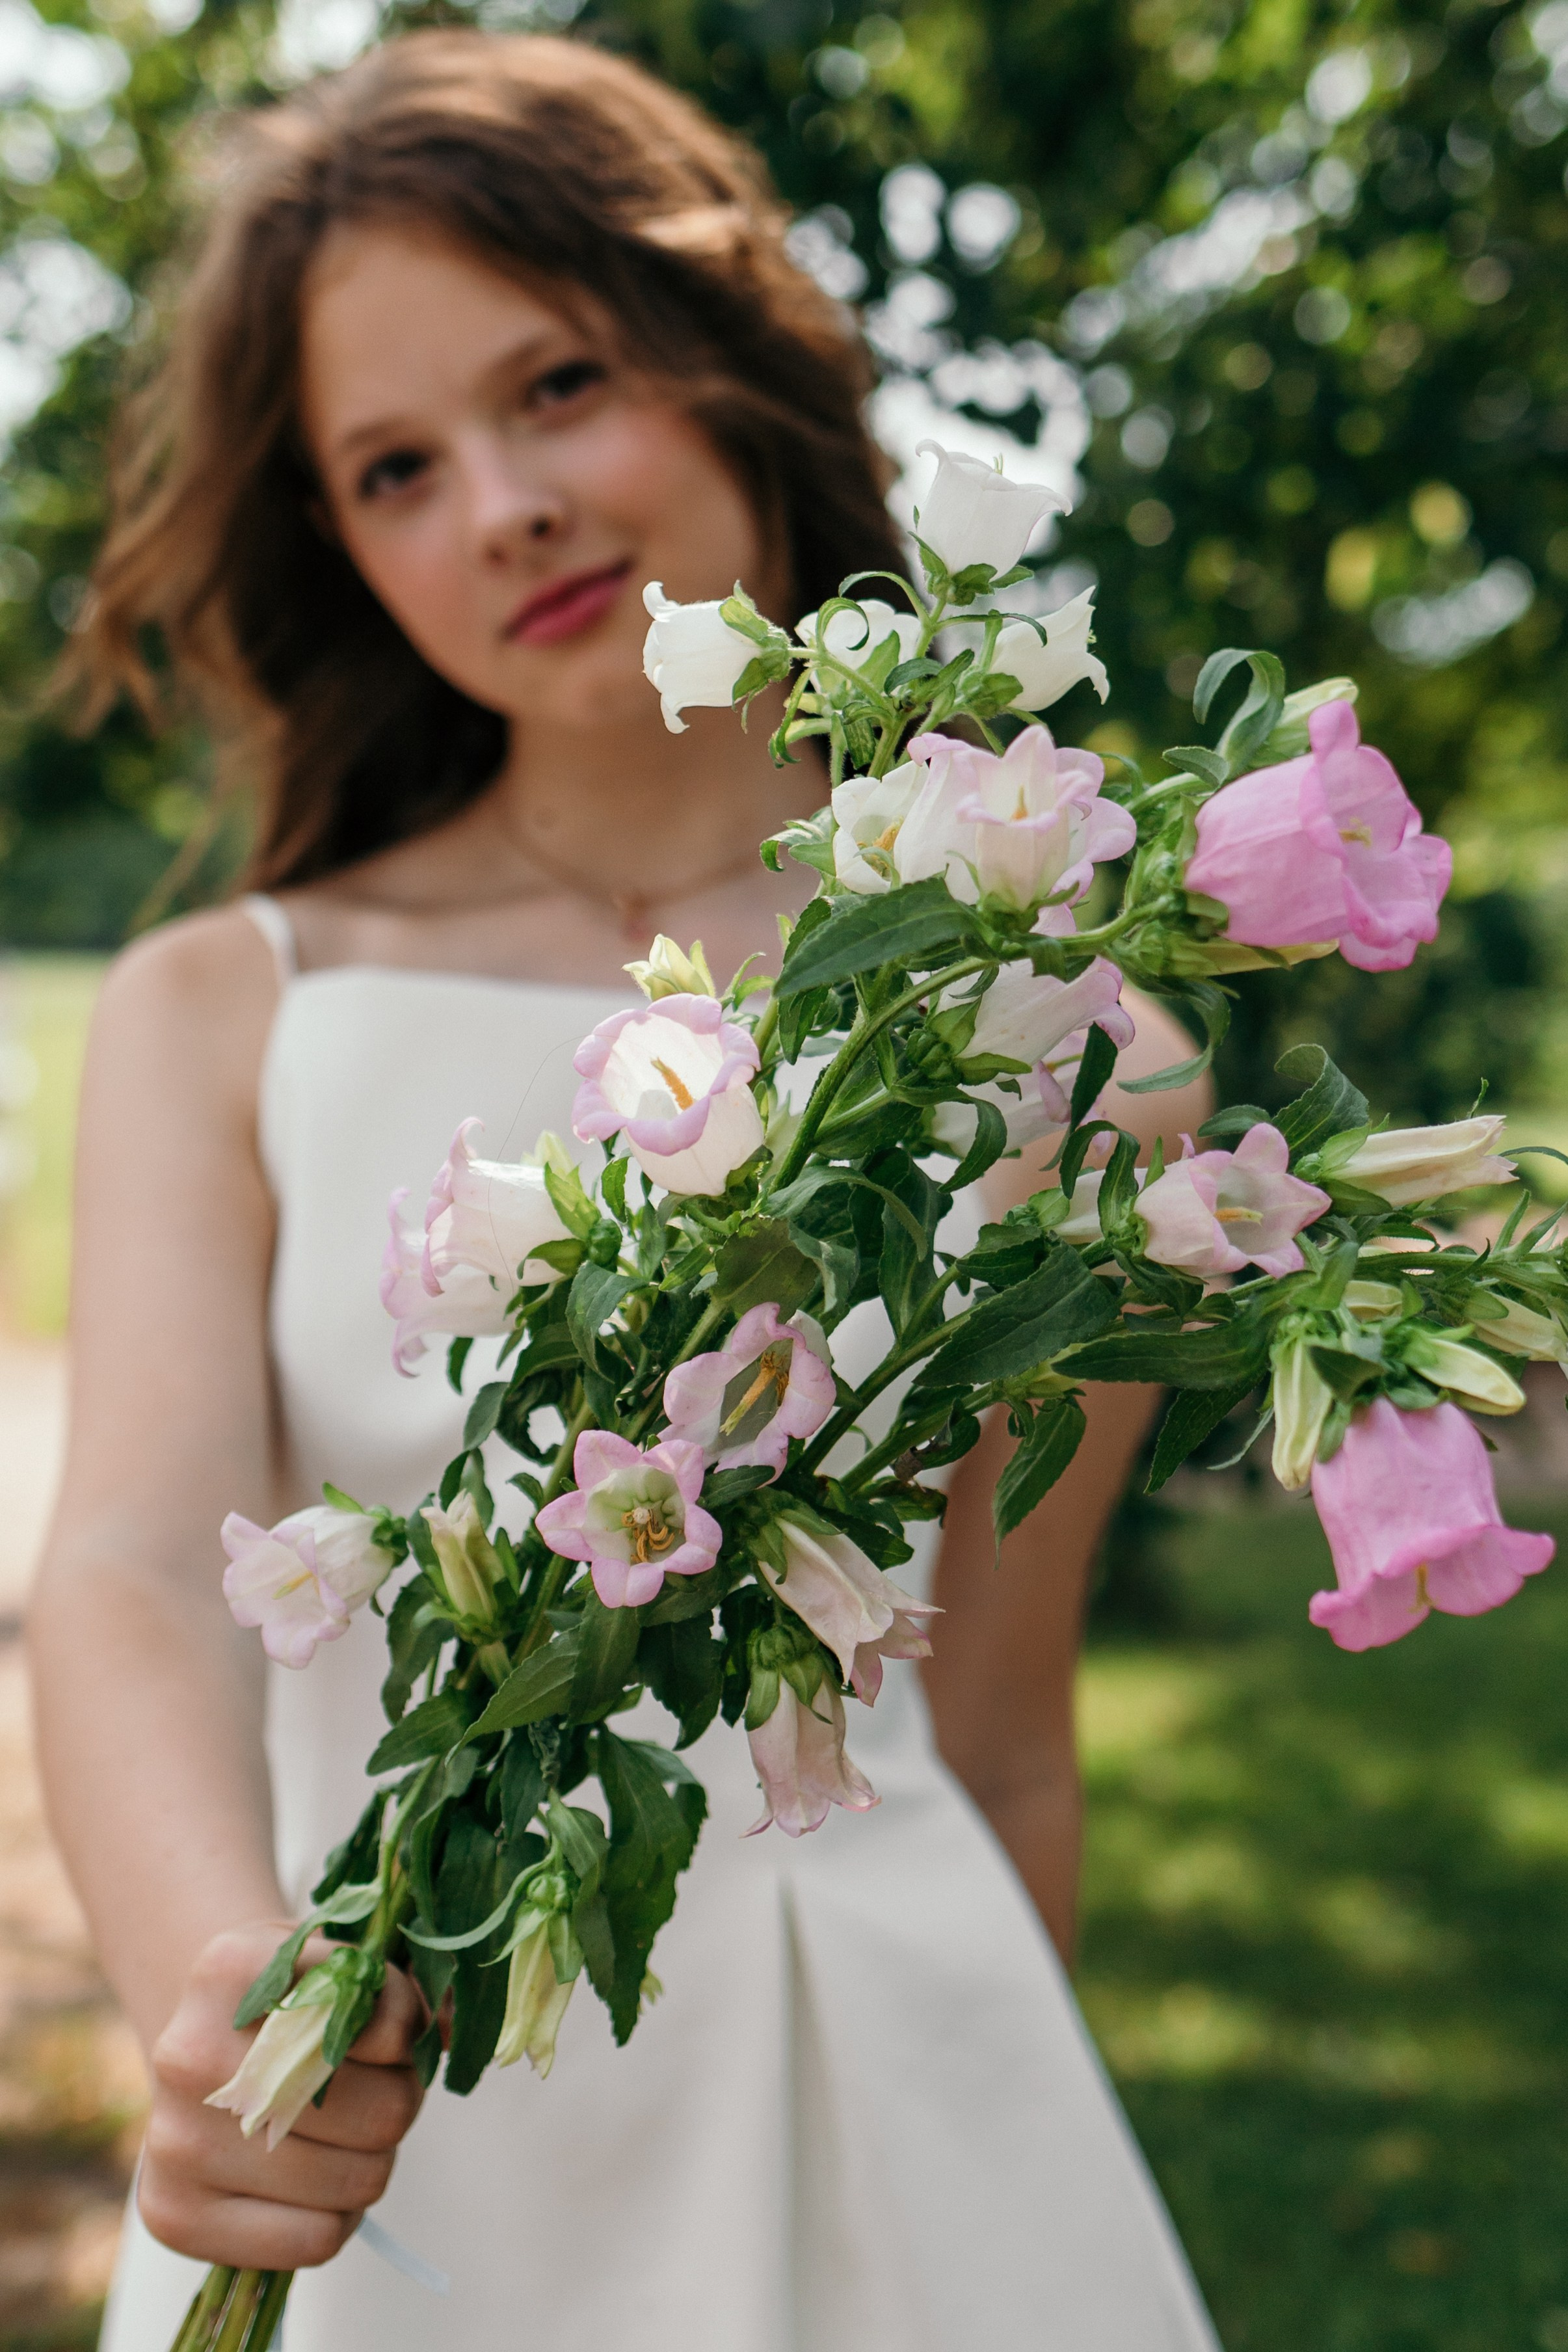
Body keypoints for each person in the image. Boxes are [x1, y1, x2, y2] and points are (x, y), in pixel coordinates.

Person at [29, 32, 1221, 2351]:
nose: (501, 504)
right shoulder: (234, 1004)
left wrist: (1000, 2175)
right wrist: (217, 1988)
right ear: (339, 546)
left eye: (556, 381)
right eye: (394, 466)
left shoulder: (1084, 1055)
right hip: (383, 2083)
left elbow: (988, 1727)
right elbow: (132, 1573)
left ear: (732, 358)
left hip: (882, 2069)